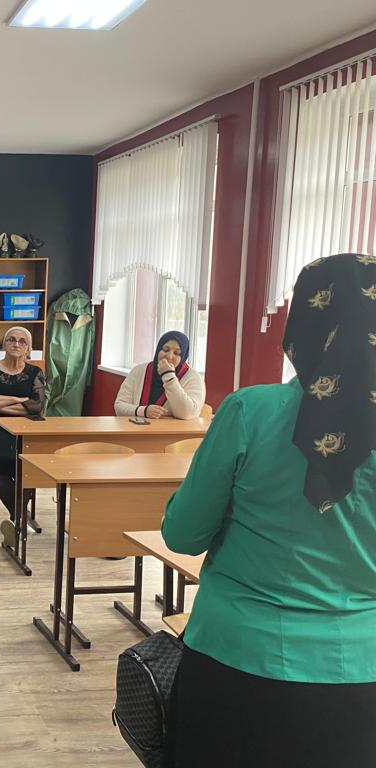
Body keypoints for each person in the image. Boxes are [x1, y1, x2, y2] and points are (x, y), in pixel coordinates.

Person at [161, 253, 376, 767]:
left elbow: (183, 534)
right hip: (360, 670)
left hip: (235, 657)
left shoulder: (250, 411)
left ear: (302, 324)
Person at [0, 327, 46, 541]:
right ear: (4, 344)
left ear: (28, 348)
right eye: (11, 340)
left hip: (27, 428)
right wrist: (19, 401)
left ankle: (17, 521)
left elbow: (37, 406)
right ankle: (20, 518)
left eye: (22, 341)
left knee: (31, 465)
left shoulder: (35, 373)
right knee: (1, 462)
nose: (16, 344)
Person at [114, 330, 205, 419]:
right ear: (158, 350)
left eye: (177, 353)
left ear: (183, 356)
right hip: (134, 427)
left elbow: (188, 414)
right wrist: (144, 411)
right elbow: (119, 406)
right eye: (165, 350)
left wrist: (168, 376)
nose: (169, 356)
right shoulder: (138, 370)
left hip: (171, 429)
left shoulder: (193, 377)